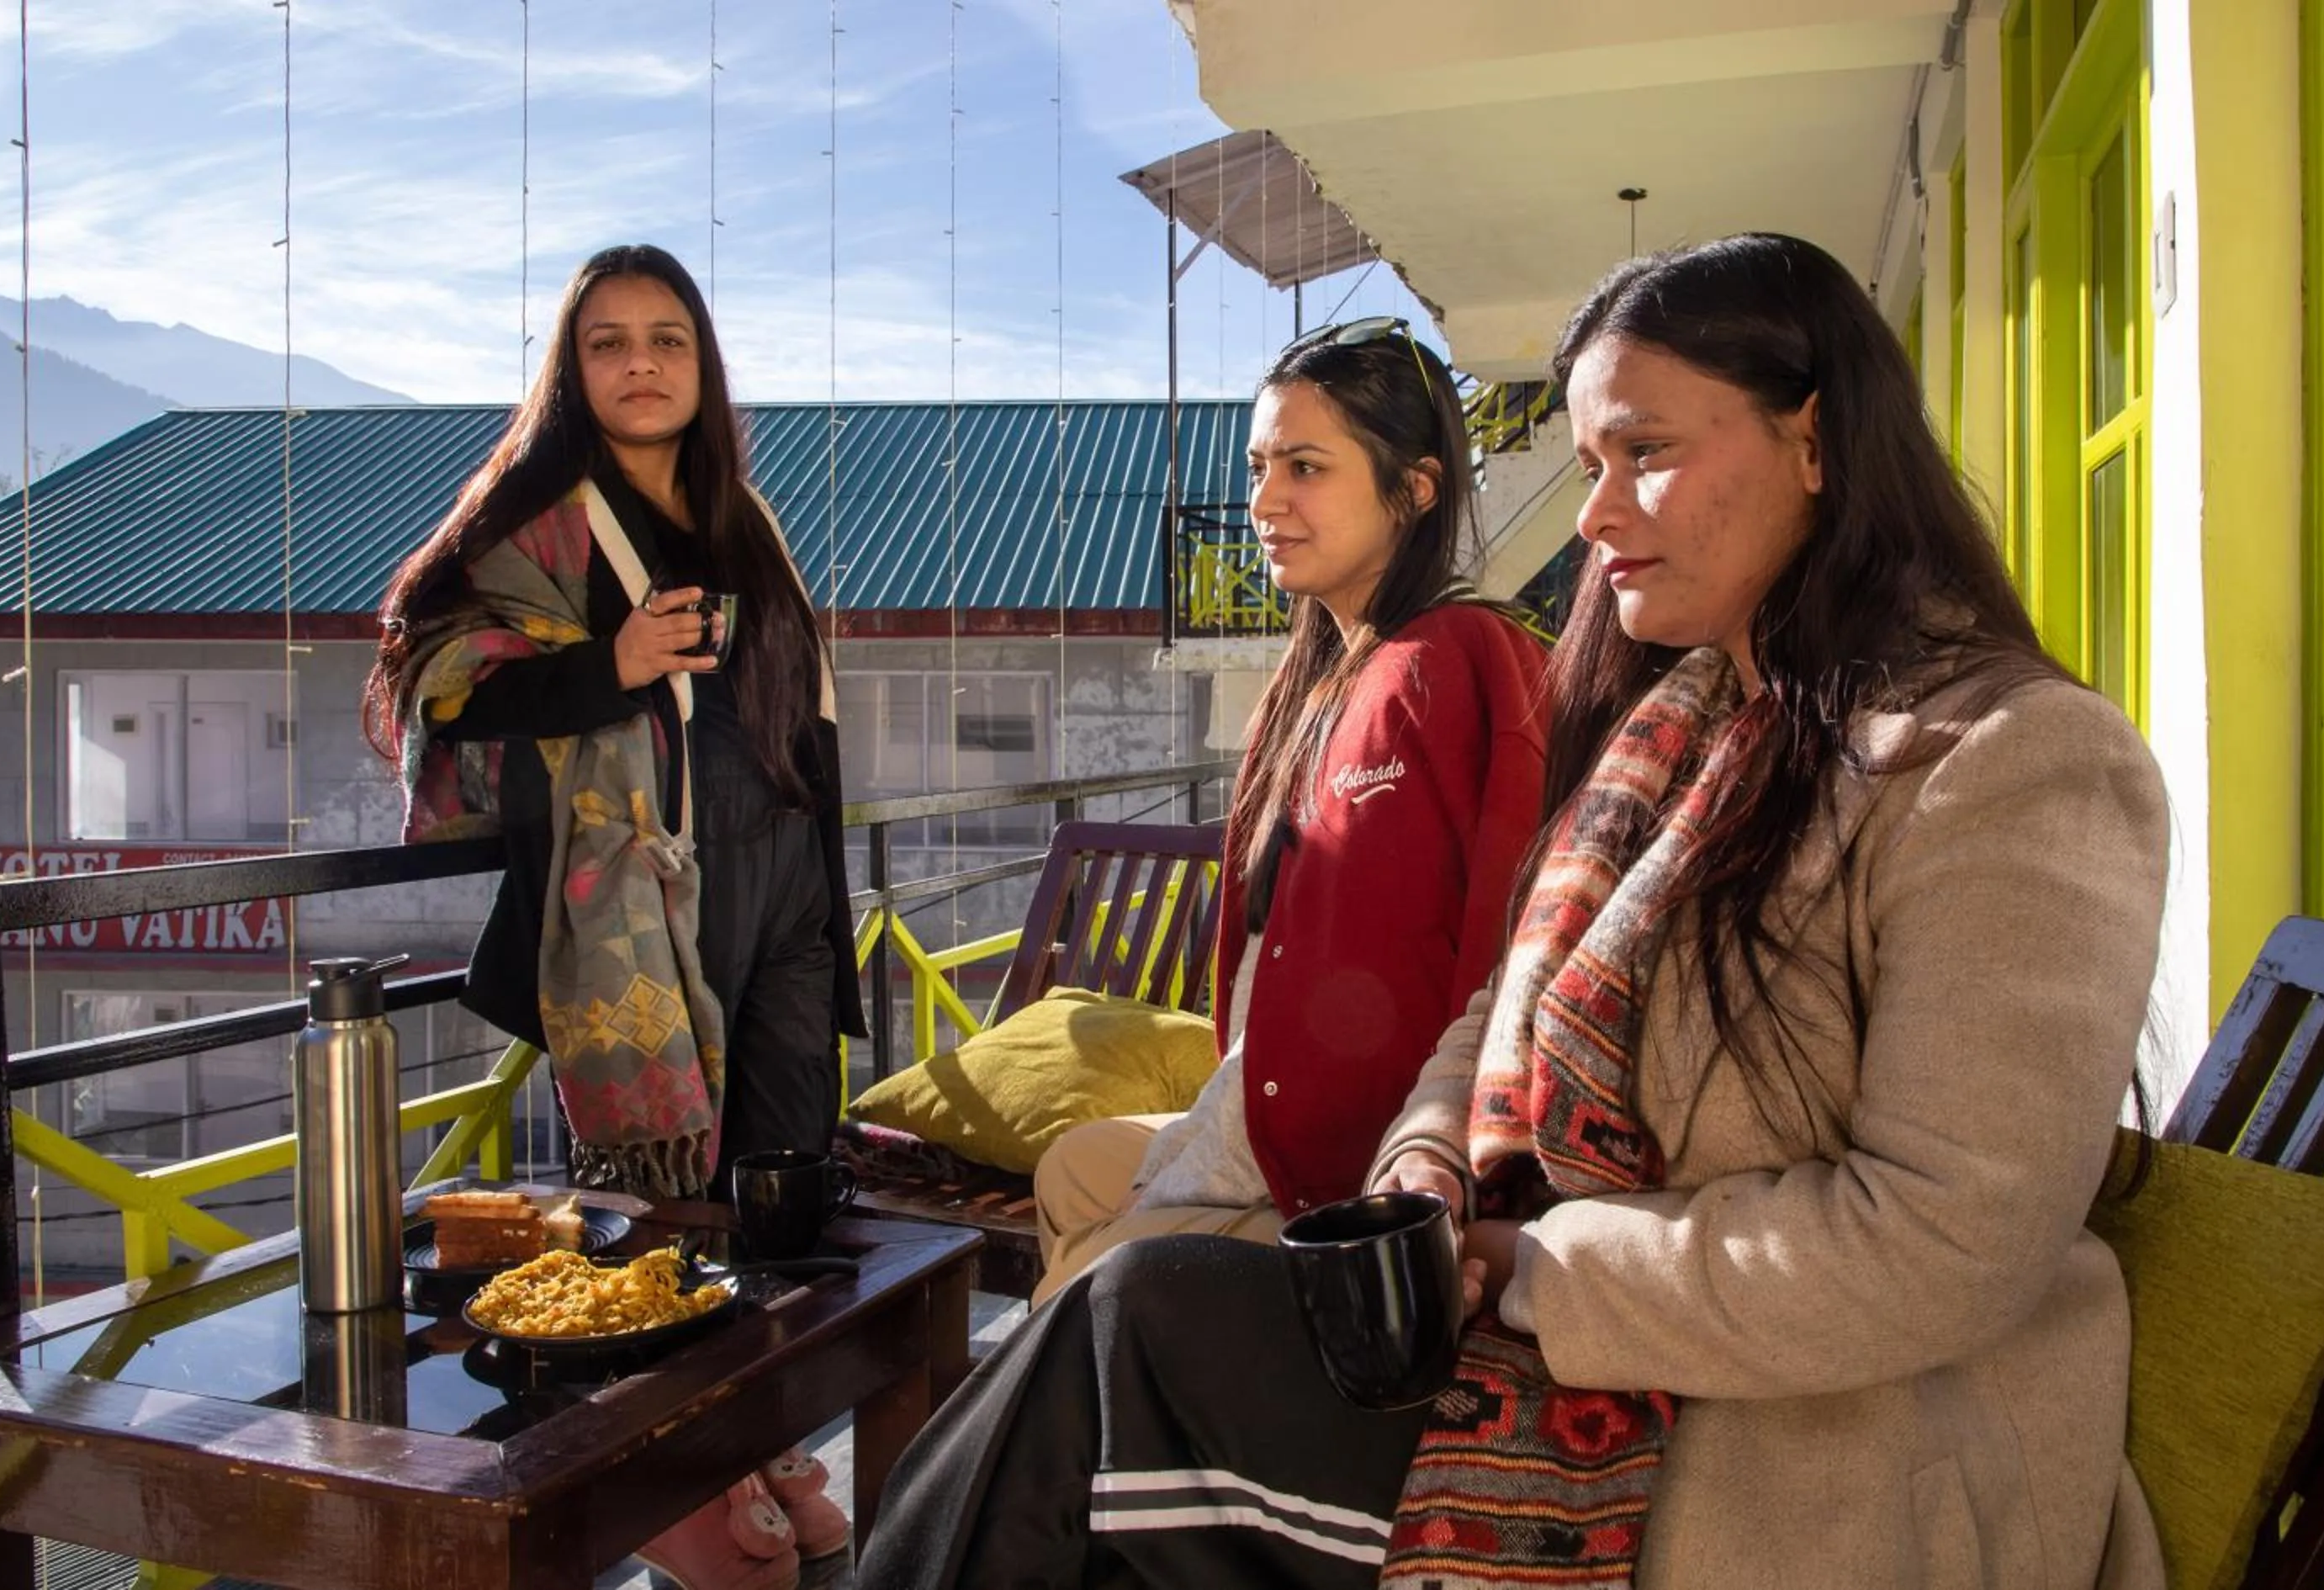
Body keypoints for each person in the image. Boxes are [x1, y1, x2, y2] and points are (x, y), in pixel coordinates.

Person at [855, 233, 2171, 1590]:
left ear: (1817, 442)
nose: (1596, 518)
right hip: (1554, 1361)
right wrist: (1424, 1174)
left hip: (1798, 1454)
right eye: (1588, 468)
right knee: (1116, 1357)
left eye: (1641, 452)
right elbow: (1499, 1011)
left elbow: (1945, 1246)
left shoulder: (2013, 762)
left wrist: (1525, 1263)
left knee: (1123, 1350)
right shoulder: (1690, 731)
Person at [365, 243, 862, 1586]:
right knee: (671, 1205)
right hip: (646, 882)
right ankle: (671, 1488)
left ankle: (747, 1447)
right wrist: (613, 662)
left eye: (668, 340)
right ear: (572, 370)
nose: (641, 363)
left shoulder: (739, 514)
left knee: (780, 1181)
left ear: (703, 366)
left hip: (786, 875)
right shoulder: (538, 519)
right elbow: (442, 677)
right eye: (608, 342)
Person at [1028, 316, 1549, 1300]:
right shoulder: (1320, 674)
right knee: (1070, 1169)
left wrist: (1452, 1164)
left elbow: (1505, 940)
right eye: (1262, 464)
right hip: (1265, 1108)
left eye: (1306, 467)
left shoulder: (1455, 664)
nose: (1265, 501)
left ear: (1416, 488)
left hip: (1369, 1154)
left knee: (1089, 1291)